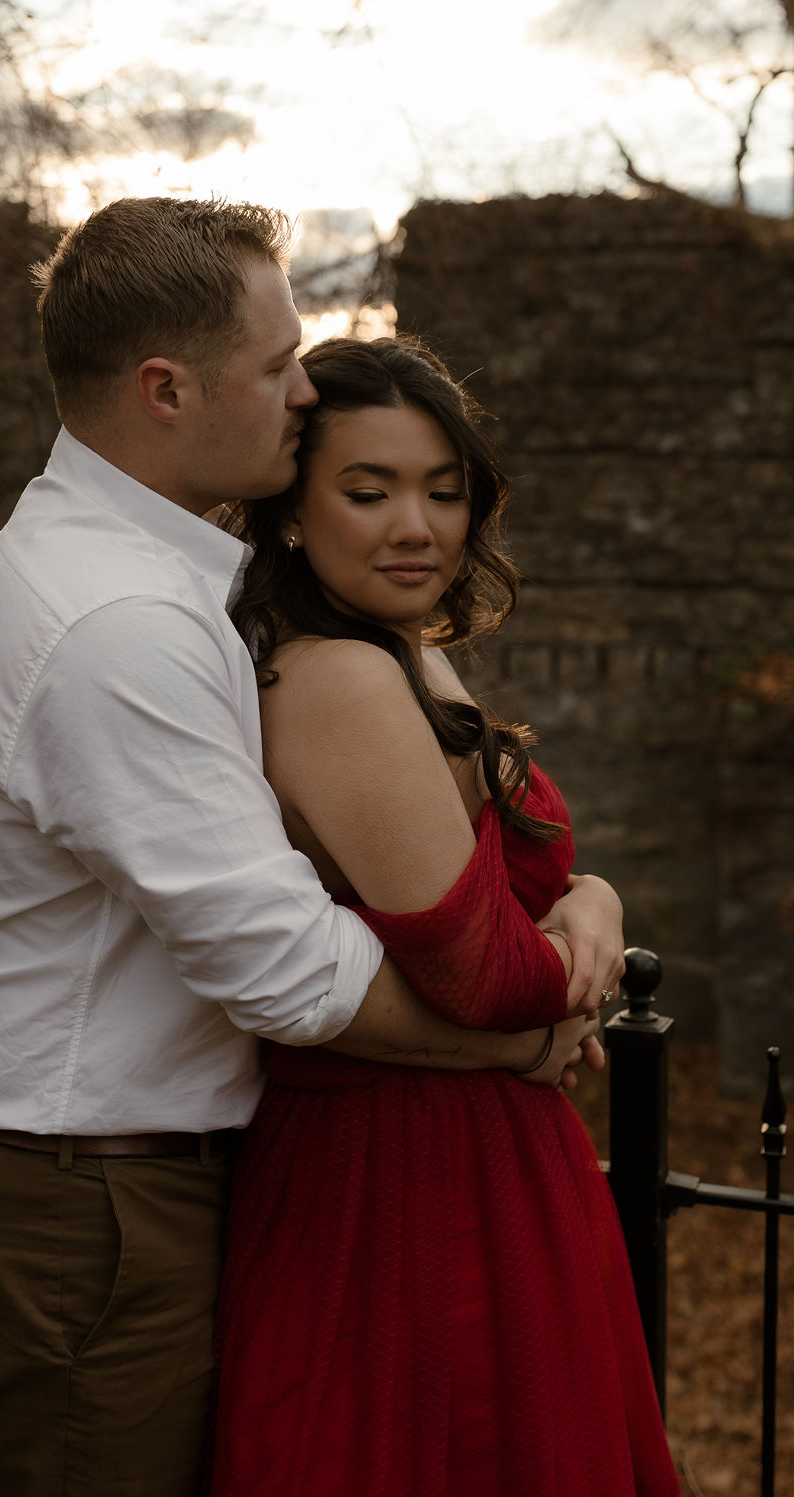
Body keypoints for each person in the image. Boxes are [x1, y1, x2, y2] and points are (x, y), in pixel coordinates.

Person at [0, 197, 618, 1497]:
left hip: (157, 1174)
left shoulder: (181, 577)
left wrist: (584, 906)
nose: (304, 387)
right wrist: (520, 1029)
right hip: (86, 1201)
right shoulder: (118, 618)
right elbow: (286, 967)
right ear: (166, 389)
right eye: (278, 363)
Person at [209, 335, 680, 1496]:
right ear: (289, 513)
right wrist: (556, 1012)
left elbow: (529, 903)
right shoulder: (337, 678)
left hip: (486, 1155)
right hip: (399, 1184)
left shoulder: (408, 656)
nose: (414, 525)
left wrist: (595, 900)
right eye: (366, 492)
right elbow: (488, 978)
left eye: (442, 489)